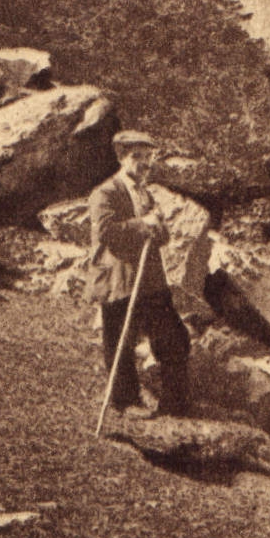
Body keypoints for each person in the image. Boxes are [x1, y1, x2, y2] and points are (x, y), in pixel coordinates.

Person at [89, 130, 191, 418]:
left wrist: (156, 225)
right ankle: (125, 402)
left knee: (175, 339)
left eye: (148, 157)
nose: (144, 163)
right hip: (118, 278)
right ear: (121, 157)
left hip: (150, 280)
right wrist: (143, 224)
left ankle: (175, 405)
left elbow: (162, 237)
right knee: (120, 341)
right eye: (137, 157)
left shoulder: (145, 193)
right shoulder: (105, 192)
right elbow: (108, 233)